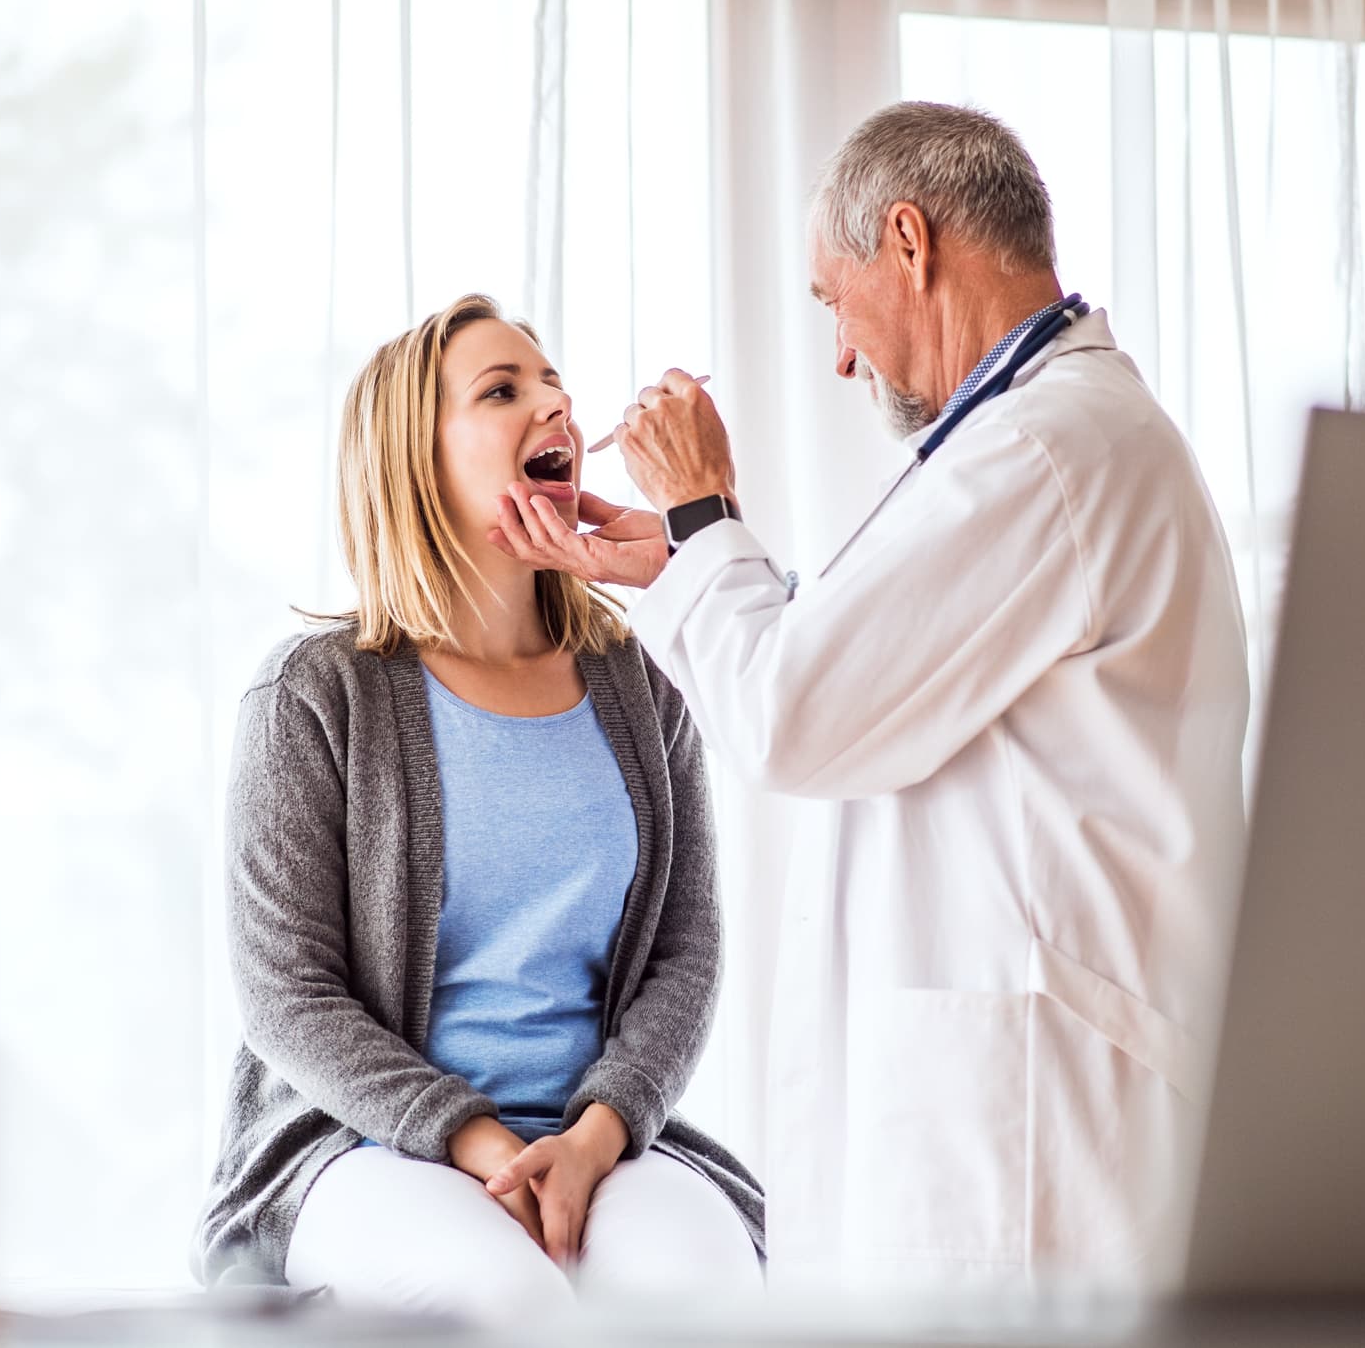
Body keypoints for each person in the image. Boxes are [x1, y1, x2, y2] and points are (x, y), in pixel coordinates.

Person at [492, 102, 1251, 1290]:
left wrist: (701, 509)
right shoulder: (1045, 441)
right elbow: (890, 675)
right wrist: (687, 563)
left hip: (1034, 1121)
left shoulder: (1047, 453)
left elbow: (796, 719)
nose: (839, 354)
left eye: (829, 302)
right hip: (1021, 1098)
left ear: (908, 241)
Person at [189, 294, 764, 1321]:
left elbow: (687, 953)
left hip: (601, 1137)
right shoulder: (315, 695)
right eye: (501, 391)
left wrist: (591, 1139)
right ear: (416, 459)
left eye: (553, 386)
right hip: (364, 1146)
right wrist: (475, 1139)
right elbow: (287, 995)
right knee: (507, 1302)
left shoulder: (643, 683)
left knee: (700, 1293)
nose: (552, 408)